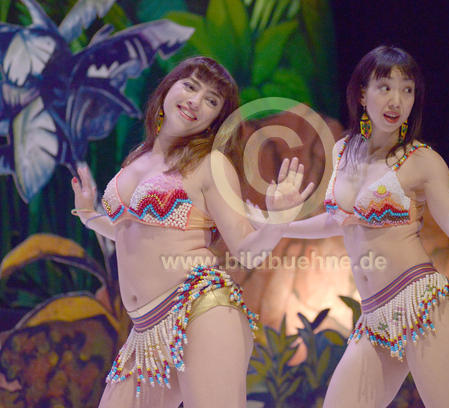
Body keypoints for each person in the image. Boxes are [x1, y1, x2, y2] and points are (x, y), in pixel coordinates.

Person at [275, 45, 449, 408]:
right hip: (374, 318)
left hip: (423, 306)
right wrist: (278, 225)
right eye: (385, 87)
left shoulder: (423, 161)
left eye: (407, 90)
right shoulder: (343, 151)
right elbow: (337, 221)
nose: (396, 100)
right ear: (362, 94)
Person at [71, 56, 313, 407]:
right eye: (190, 86)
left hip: (201, 312)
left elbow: (246, 250)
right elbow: (131, 232)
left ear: (216, 119)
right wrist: (89, 216)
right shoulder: (137, 157)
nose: (196, 101)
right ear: (168, 88)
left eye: (211, 100)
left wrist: (278, 220)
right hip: (146, 331)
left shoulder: (211, 165)